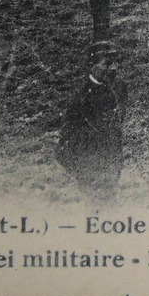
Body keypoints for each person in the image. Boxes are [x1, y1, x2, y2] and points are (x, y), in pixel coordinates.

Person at [57, 39, 127, 193]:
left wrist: (116, 165)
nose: (113, 68)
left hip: (111, 173)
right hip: (90, 176)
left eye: (115, 63)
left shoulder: (116, 91)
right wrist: (82, 174)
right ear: (91, 66)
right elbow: (63, 144)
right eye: (107, 64)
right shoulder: (80, 99)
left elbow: (116, 131)